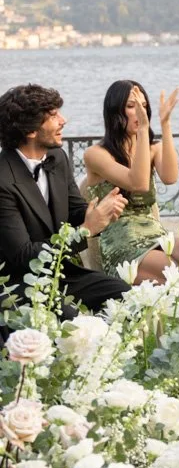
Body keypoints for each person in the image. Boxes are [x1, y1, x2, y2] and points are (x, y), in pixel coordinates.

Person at [0, 84, 130, 313]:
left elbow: (75, 209)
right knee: (68, 315)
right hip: (17, 283)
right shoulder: (3, 179)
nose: (63, 120)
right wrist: (85, 230)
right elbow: (23, 255)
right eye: (53, 116)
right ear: (30, 130)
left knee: (123, 294)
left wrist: (100, 211)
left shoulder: (57, 157)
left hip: (61, 273)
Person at [83, 80, 179, 283]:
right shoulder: (96, 154)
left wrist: (165, 124)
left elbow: (170, 177)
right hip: (120, 242)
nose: (140, 111)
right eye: (132, 106)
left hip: (153, 231)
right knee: (171, 269)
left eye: (144, 106)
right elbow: (138, 183)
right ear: (115, 112)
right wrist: (142, 131)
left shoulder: (152, 149)